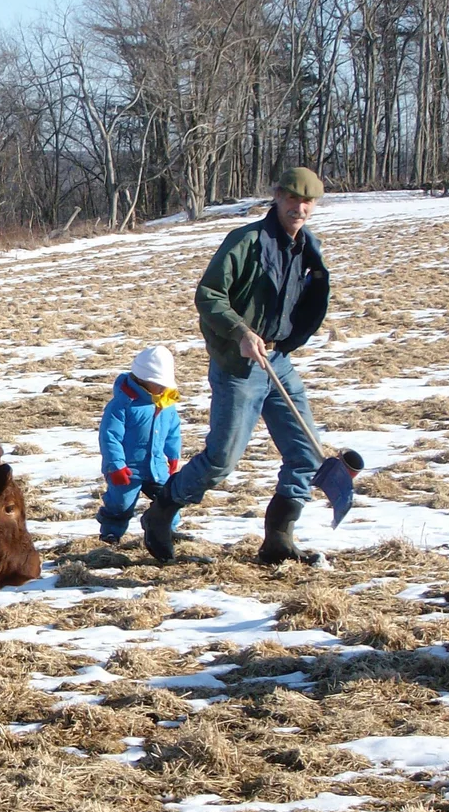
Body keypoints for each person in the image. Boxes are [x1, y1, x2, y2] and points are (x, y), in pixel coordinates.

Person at [141, 167, 330, 564]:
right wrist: (241, 332)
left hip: (278, 361)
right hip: (239, 367)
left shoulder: (306, 245)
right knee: (222, 460)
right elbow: (209, 294)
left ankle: (279, 537)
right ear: (277, 196)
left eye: (308, 201)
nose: (300, 207)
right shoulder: (247, 241)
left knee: (307, 455)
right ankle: (162, 511)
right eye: (293, 198)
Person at [97, 345, 182, 545]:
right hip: (127, 470)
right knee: (121, 503)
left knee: (169, 500)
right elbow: (109, 437)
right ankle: (111, 533)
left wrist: (173, 455)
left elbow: (173, 431)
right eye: (158, 384)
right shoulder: (122, 405)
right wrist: (116, 465)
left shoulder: (167, 404)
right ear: (142, 380)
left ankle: (169, 531)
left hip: (157, 467)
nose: (163, 388)